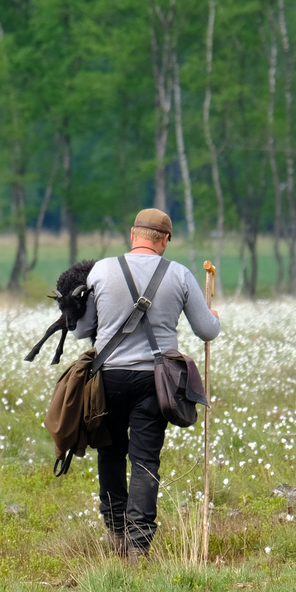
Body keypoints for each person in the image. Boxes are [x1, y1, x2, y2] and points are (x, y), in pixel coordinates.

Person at [72, 209, 220, 558]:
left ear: (132, 234)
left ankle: (115, 530)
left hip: (106, 377)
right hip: (158, 382)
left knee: (109, 453)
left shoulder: (101, 270)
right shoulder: (180, 274)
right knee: (144, 461)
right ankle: (138, 546)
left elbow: (79, 330)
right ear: (165, 239)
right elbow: (206, 331)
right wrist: (213, 316)